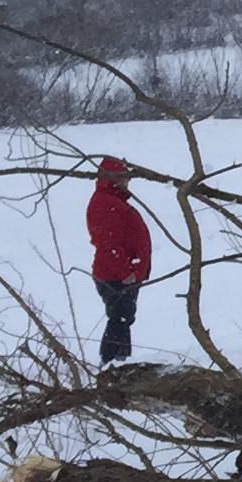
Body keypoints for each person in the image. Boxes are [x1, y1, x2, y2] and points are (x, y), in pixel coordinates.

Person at [85, 157, 152, 366]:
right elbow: (108, 244)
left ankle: (120, 364)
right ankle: (110, 363)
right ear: (112, 179)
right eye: (123, 178)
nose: (127, 183)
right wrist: (126, 272)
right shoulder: (105, 204)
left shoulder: (113, 201)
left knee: (124, 318)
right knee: (120, 318)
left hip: (122, 273)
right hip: (115, 276)